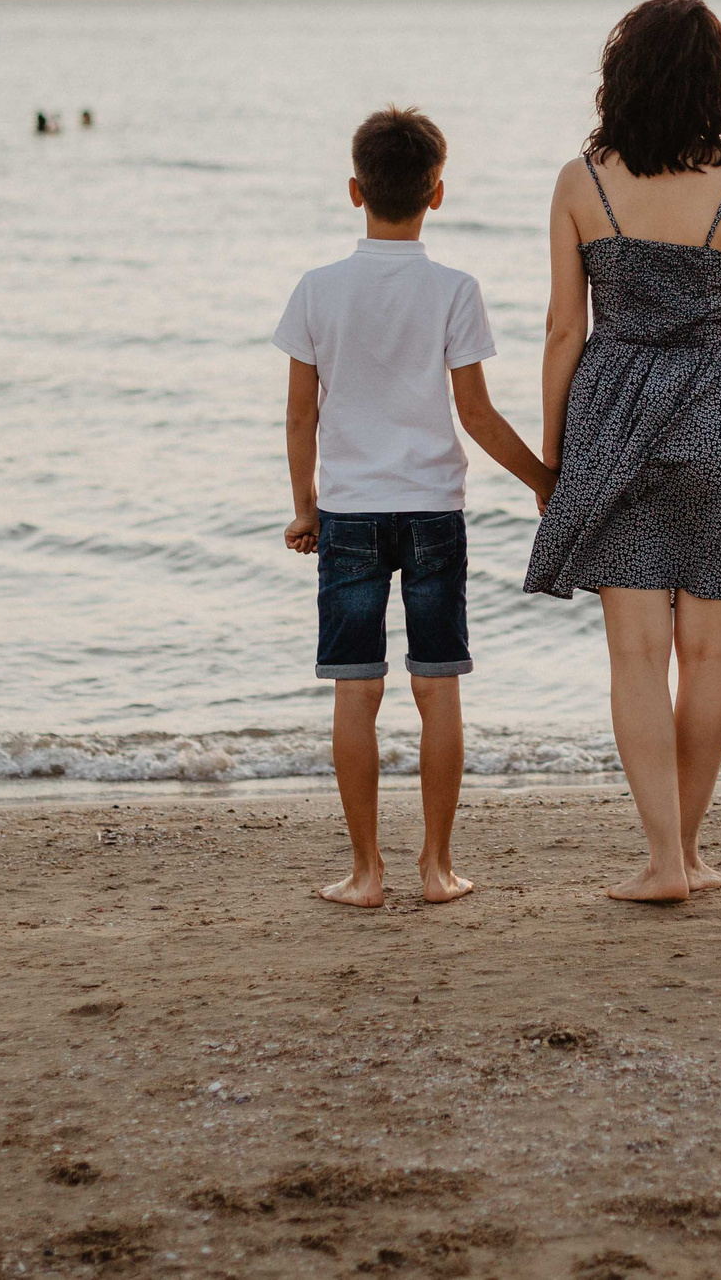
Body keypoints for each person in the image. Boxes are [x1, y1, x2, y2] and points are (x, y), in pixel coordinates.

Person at [525, 0, 721, 904]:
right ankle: (688, 850)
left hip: (613, 421)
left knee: (637, 653)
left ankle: (663, 862)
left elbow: (564, 330)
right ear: (716, 83)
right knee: (711, 654)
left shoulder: (582, 183)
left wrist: (554, 455)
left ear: (623, 76)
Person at [278, 106, 555, 907]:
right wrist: (541, 479)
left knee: (355, 691)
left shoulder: (317, 290)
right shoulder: (454, 289)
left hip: (350, 513)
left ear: (355, 189)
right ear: (437, 192)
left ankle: (366, 872)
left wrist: (305, 507)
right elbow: (477, 414)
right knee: (438, 689)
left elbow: (300, 416)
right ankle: (437, 867)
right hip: (434, 511)